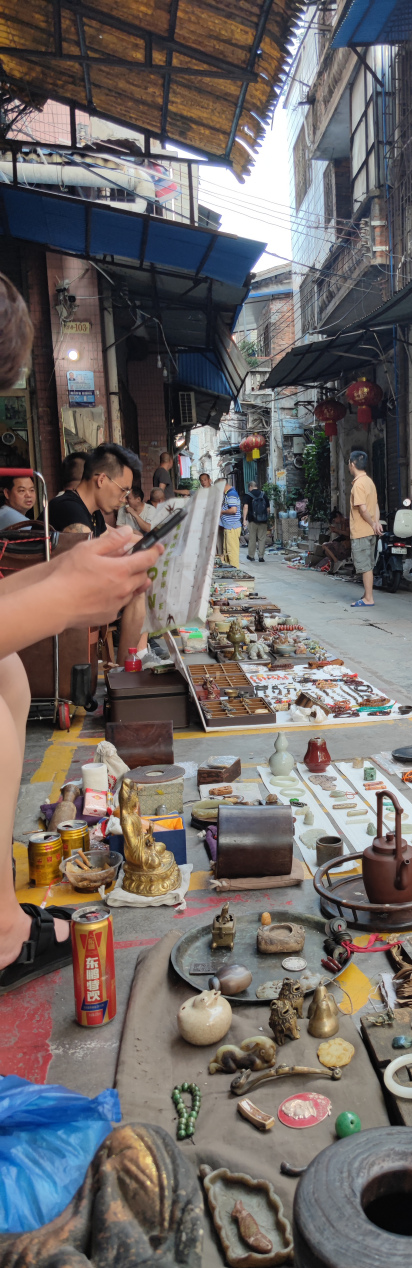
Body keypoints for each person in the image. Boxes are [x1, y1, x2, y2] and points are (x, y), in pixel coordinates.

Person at [0, 269, 163, 991]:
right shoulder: (67, 506)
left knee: (4, 666)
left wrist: (63, 590)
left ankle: (3, 912)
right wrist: (64, 595)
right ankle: (2, 934)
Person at [48, 444, 147, 662]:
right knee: (139, 588)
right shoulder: (67, 507)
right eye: (124, 490)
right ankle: (128, 668)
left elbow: (115, 541)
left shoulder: (92, 513)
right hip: (58, 599)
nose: (125, 498)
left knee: (147, 579)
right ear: (102, 480)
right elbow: (90, 560)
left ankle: (137, 658)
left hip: (75, 591)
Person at [348, 449, 382, 607]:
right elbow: (375, 505)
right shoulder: (369, 481)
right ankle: (367, 595)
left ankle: (369, 598)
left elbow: (362, 509)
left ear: (352, 464)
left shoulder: (358, 485)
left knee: (365, 566)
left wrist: (372, 523)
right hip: (370, 531)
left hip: (362, 530)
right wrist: (377, 522)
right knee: (368, 564)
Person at [243, 480, 269, 562]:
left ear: (250, 487)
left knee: (252, 538)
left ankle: (251, 556)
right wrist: (265, 517)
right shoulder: (264, 495)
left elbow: (245, 507)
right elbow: (268, 509)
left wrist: (244, 519)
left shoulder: (248, 495)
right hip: (263, 521)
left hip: (252, 520)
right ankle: (261, 557)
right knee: (262, 538)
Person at [220, 476, 242, 567]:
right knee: (227, 552)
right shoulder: (228, 493)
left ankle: (235, 573)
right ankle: (230, 572)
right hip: (228, 527)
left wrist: (221, 512)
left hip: (232, 527)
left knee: (232, 553)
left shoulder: (231, 494)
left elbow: (233, 510)